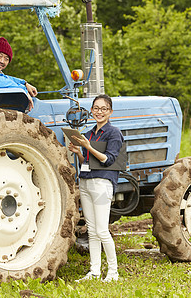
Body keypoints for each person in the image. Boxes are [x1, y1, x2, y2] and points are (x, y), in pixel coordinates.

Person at [68, 94, 124, 283]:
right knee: (91, 230)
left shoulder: (113, 133)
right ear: (91, 110)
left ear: (110, 112)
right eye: (96, 108)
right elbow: (90, 161)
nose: (99, 112)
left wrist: (88, 146)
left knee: (101, 230)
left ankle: (113, 272)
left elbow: (108, 160)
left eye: (104, 109)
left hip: (102, 183)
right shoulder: (90, 132)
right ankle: (94, 271)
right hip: (85, 181)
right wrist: (79, 151)